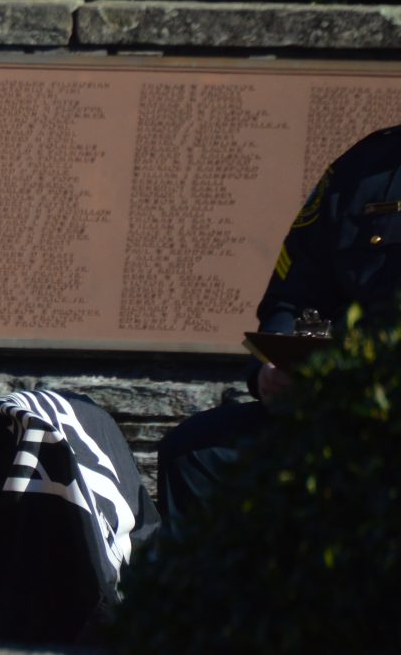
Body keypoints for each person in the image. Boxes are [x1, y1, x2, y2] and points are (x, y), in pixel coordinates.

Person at [156, 124, 401, 529]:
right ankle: (214, 592)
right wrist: (273, 369)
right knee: (197, 452)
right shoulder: (362, 168)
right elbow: (294, 297)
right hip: (340, 409)